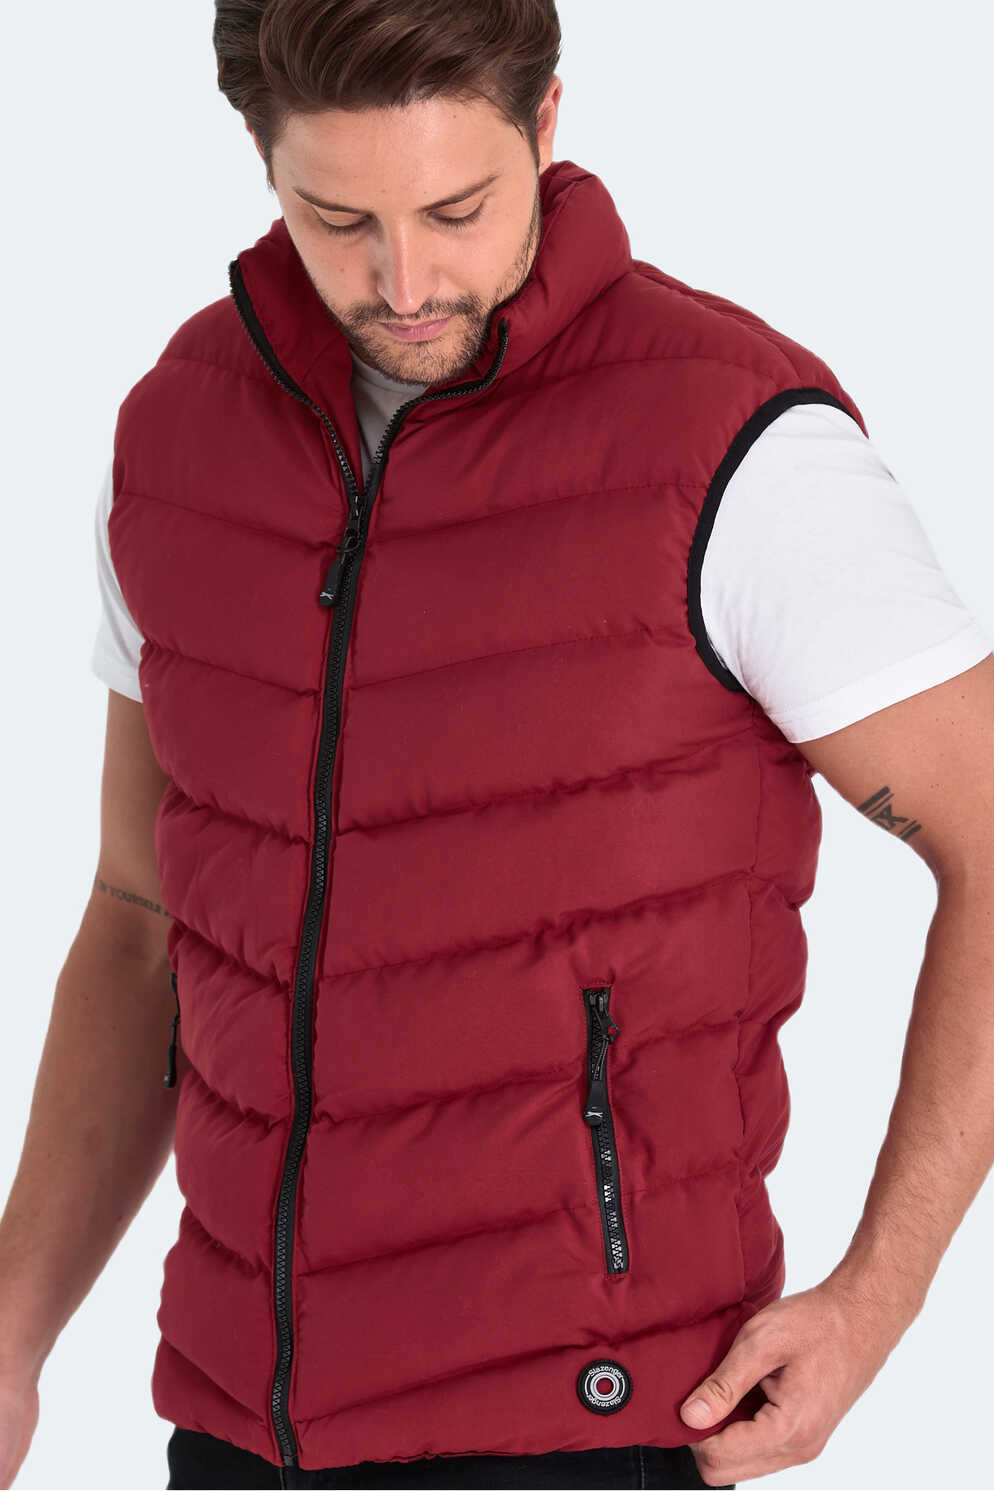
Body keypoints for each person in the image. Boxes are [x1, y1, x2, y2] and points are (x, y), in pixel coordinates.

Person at [2, 3, 993, 1489]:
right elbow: (142, 917)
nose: (404, 282)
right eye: (338, 220)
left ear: (544, 126)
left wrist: (877, 1299)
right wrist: (13, 1332)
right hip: (235, 1426)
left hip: (582, 1426)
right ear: (263, 162)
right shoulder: (179, 442)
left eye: (455, 211)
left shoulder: (731, 443)